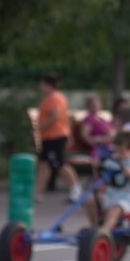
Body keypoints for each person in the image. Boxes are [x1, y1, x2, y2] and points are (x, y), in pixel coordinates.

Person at [83, 130, 130, 234]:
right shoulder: (111, 160)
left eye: (122, 152)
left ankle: (104, 232)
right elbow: (100, 179)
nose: (118, 155)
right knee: (89, 200)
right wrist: (96, 167)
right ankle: (94, 230)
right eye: (116, 151)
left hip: (126, 199)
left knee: (115, 209)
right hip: (110, 195)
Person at [35, 74, 79, 202]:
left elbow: (55, 115)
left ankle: (76, 189)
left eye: (42, 84)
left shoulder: (54, 98)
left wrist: (40, 127)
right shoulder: (52, 98)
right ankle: (38, 193)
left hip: (55, 136)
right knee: (44, 165)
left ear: (48, 85)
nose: (40, 87)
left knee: (59, 165)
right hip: (48, 137)